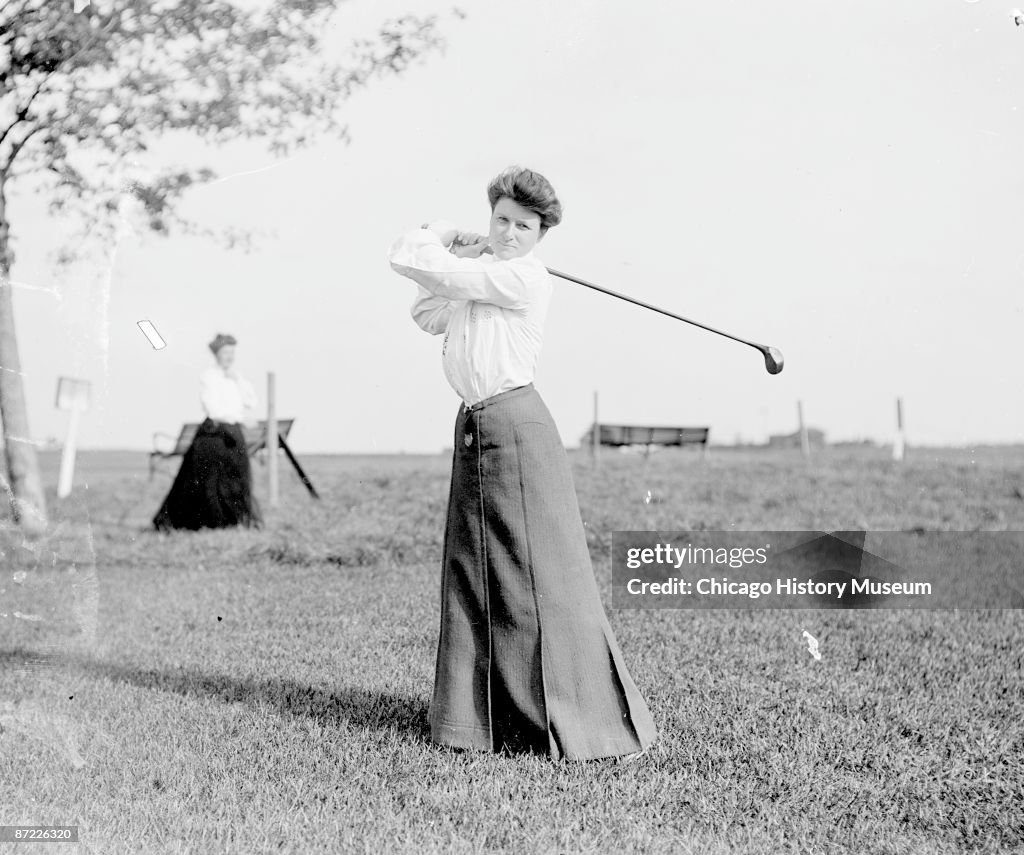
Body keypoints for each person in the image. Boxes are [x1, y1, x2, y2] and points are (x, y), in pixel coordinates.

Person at [387, 166, 657, 761]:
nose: (509, 233)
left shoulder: (523, 278)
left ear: (540, 235)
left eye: (523, 226)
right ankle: (480, 721)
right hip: (476, 428)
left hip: (514, 428)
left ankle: (579, 722)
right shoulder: (484, 278)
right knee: (477, 571)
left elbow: (407, 257)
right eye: (501, 221)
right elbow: (426, 309)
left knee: (540, 578)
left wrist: (442, 232)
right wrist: (465, 251)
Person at [153, 333, 262, 532]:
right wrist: (238, 418)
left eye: (231, 352)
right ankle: (209, 522)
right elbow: (213, 409)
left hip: (233, 434)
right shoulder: (209, 377)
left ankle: (233, 522)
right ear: (217, 354)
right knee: (209, 481)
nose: (229, 357)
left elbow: (251, 401)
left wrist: (237, 380)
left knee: (237, 478)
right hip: (214, 434)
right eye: (225, 352)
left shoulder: (236, 377)